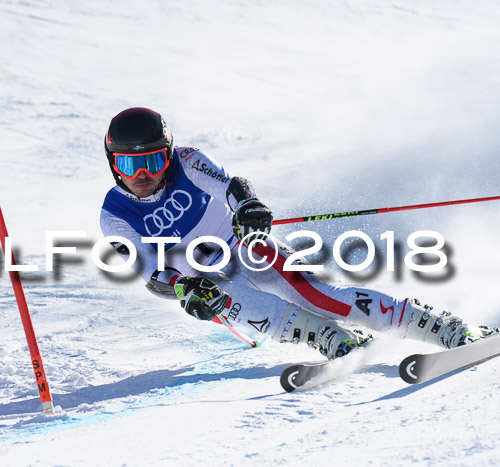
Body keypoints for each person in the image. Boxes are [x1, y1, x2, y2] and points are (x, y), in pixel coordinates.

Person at [99, 107, 493, 359]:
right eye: (129, 165)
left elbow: (231, 187)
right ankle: (331, 340)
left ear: (167, 153)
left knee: (319, 294)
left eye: (151, 160)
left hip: (244, 245)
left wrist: (249, 210)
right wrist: (185, 288)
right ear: (113, 164)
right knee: (236, 303)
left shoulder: (187, 161)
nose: (143, 175)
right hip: (205, 278)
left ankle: (437, 326)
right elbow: (151, 272)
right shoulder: (114, 215)